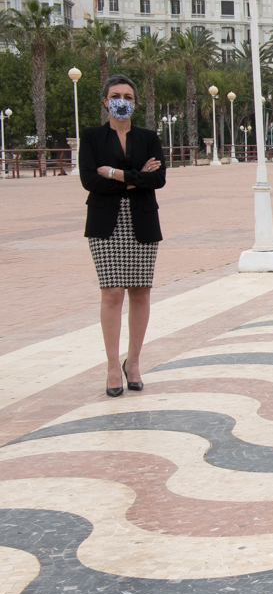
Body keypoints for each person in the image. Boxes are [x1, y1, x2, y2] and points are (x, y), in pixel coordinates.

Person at [79, 75, 166, 397]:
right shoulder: (91, 137)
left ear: (135, 102)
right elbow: (90, 181)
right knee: (112, 292)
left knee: (141, 291)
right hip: (106, 223)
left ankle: (135, 362)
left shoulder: (148, 137)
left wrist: (115, 174)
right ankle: (113, 366)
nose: (122, 101)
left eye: (128, 96)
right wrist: (136, 177)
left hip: (142, 220)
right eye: (116, 95)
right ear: (105, 101)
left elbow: (158, 178)